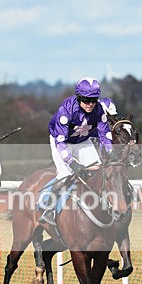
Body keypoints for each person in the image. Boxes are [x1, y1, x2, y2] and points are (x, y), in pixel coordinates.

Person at [41, 77, 113, 224]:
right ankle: (49, 209)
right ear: (79, 97)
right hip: (61, 141)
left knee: (99, 169)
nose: (90, 104)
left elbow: (105, 136)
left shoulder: (99, 110)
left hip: (82, 141)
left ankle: (102, 205)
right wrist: (71, 162)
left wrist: (111, 155)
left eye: (94, 100)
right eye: (86, 100)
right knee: (65, 173)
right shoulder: (66, 109)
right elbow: (60, 142)